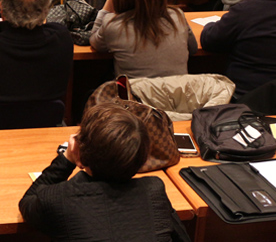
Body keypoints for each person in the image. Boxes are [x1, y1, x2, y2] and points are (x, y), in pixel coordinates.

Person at [19, 103, 190, 242]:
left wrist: (68, 158)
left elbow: (27, 202)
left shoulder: (58, 198)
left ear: (79, 153)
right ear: (142, 158)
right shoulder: (153, 190)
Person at [89, 0, 197, 78]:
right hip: (179, 94)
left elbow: (95, 42)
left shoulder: (113, 25)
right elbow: (193, 48)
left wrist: (106, 7)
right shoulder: (177, 15)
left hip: (135, 95)